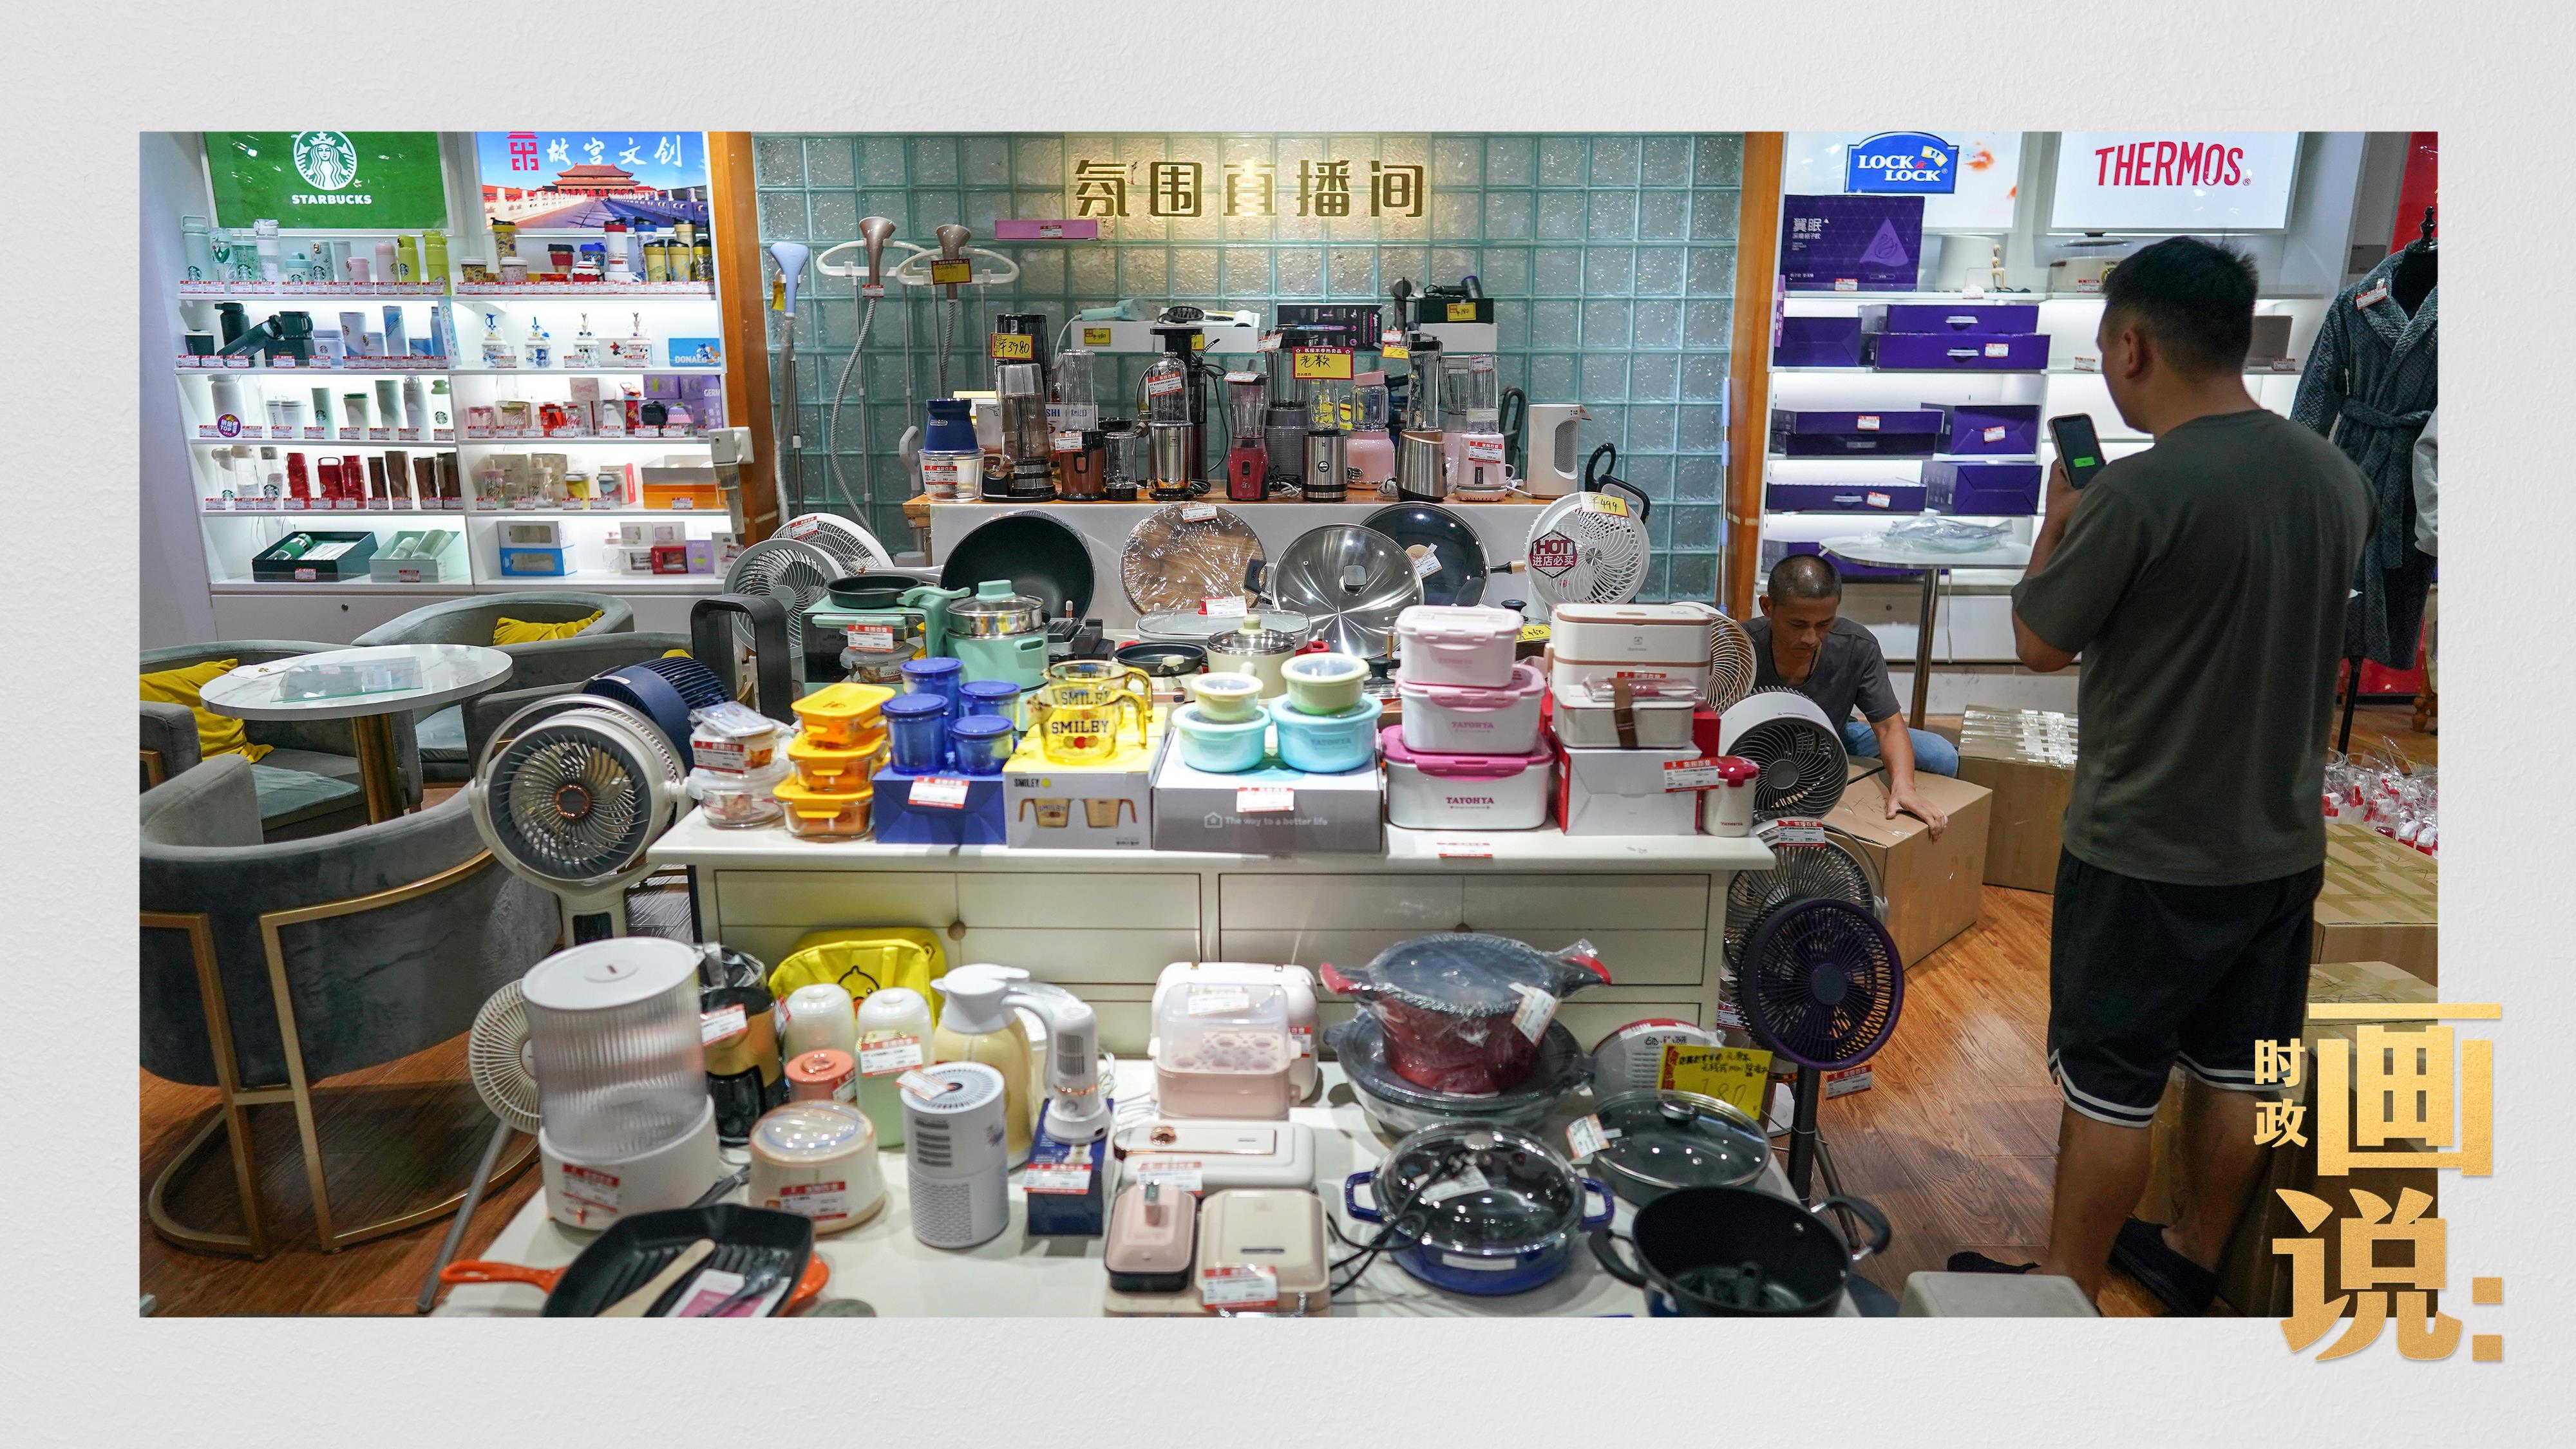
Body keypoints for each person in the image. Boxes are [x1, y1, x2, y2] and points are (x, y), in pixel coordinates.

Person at [1946, 236, 2372, 1312]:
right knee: (2250, 1064)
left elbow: (2040, 642)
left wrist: (2058, 522)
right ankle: (2192, 1253)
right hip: (2284, 840)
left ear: (2134, 345)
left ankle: (2067, 1285)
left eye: (2106, 350)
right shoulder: (2337, 476)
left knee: (2112, 1079)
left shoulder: (2136, 493)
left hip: (2145, 844)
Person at [1750, 553, 1951, 838]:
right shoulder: (1738, 646)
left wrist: (1905, 788)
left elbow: (1888, 726)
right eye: (1797, 625)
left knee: (1941, 755)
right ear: (1767, 607)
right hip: (1755, 748)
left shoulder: (1858, 645)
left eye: (1824, 624)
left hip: (1833, 736)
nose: (1811, 638)